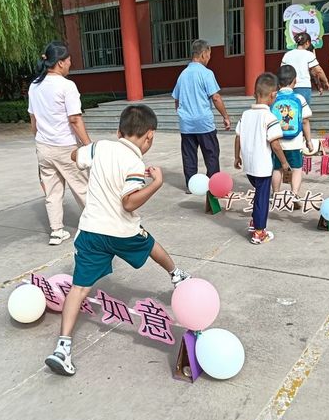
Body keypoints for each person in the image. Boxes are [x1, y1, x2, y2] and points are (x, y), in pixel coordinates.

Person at [44, 104, 191, 376]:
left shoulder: (100, 148)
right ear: (150, 136)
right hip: (122, 232)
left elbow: (76, 156)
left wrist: (87, 151)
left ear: (118, 131)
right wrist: (156, 184)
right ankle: (177, 274)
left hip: (91, 232)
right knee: (148, 243)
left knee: (79, 289)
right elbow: (128, 202)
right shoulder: (135, 162)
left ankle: (62, 348)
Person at [28, 41, 91, 246]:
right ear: (61, 63)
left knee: (52, 191)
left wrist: (41, 141)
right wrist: (89, 145)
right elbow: (75, 119)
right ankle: (97, 226)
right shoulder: (67, 86)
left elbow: (33, 121)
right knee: (82, 188)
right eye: (69, 60)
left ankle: (56, 231)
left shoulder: (34, 86)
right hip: (65, 147)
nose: (71, 63)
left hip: (43, 147)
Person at [234, 73, 290, 245]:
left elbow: (238, 137)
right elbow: (275, 145)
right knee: (262, 199)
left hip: (249, 166)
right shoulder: (269, 117)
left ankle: (254, 222)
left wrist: (236, 157)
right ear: (274, 95)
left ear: (254, 93)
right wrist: (284, 162)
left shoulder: (246, 114)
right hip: (262, 168)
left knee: (258, 195)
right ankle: (259, 232)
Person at [173, 39, 231, 191]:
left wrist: (182, 114)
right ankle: (213, 185)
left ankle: (191, 185)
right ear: (204, 54)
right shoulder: (206, 73)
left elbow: (176, 100)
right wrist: (225, 116)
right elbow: (216, 97)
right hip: (204, 123)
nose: (209, 58)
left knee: (189, 156)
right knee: (211, 154)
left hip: (187, 125)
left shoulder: (182, 74)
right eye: (209, 54)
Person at [271, 65, 313, 204]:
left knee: (277, 169)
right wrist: (309, 140)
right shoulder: (299, 98)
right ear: (295, 81)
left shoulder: (273, 97)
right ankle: (294, 195)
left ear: (278, 83)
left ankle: (276, 195)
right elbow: (305, 120)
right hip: (295, 142)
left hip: (276, 142)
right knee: (296, 169)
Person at [281, 32, 329, 105]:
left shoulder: (287, 55)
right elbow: (318, 71)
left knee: (290, 112)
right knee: (304, 112)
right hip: (303, 87)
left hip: (288, 87)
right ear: (307, 42)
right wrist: (325, 81)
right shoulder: (309, 54)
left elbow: (282, 71)